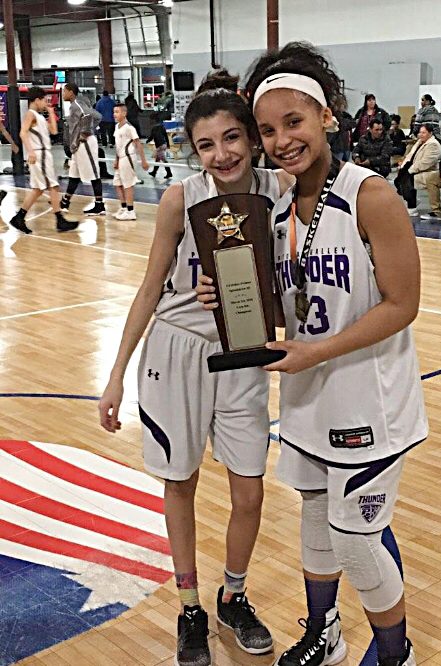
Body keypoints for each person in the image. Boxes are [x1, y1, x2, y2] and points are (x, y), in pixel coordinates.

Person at [200, 41, 428, 666]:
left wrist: (316, 351)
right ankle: (325, 634)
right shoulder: (274, 209)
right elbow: (291, 302)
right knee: (316, 523)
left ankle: (396, 655)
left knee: (356, 542)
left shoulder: (370, 195)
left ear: (326, 115)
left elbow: (403, 304)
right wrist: (227, 297)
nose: (282, 141)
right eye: (268, 131)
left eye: (293, 122)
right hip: (307, 397)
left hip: (369, 402)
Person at [99, 87, 294, 666]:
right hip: (176, 350)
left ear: (252, 138)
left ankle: (233, 597)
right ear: (193, 151)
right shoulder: (180, 198)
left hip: (243, 352)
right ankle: (189, 607)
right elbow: (149, 288)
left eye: (231, 138)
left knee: (249, 490)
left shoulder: (281, 189)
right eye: (206, 145)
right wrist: (115, 375)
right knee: (179, 481)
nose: (221, 154)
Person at [9, 87, 78, 234]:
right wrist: (31, 151)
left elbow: (53, 131)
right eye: (44, 100)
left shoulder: (39, 116)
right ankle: (60, 220)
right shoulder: (31, 114)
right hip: (40, 154)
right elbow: (22, 132)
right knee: (53, 186)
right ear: (37, 100)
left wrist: (51, 113)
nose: (46, 103)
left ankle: (19, 217)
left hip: (43, 153)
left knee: (38, 189)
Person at [61, 83, 106, 216]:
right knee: (74, 173)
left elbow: (91, 116)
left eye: (64, 91)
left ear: (71, 92)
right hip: (77, 145)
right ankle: (65, 202)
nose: (63, 94)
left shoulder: (78, 104)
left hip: (84, 143)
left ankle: (99, 205)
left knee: (93, 174)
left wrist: (85, 132)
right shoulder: (74, 105)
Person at [395, 123, 441, 215]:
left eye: (424, 133)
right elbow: (410, 155)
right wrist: (403, 166)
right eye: (420, 132)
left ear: (430, 133)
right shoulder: (419, 142)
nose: (421, 135)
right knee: (398, 181)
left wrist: (411, 170)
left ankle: (412, 206)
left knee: (408, 179)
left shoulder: (433, 144)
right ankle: (412, 200)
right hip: (412, 166)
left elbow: (426, 163)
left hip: (426, 170)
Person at [112, 104, 149, 220]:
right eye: (114, 112)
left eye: (117, 112)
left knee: (127, 185)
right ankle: (123, 207)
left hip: (128, 157)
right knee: (117, 183)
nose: (114, 114)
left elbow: (138, 143)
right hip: (121, 158)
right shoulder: (117, 127)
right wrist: (116, 159)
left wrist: (143, 161)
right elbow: (118, 146)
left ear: (124, 113)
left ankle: (131, 211)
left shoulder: (129, 128)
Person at [147, 113, 173, 179]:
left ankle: (169, 173)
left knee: (164, 160)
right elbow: (166, 136)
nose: (149, 121)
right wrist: (168, 144)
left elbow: (152, 137)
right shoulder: (161, 127)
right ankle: (154, 172)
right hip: (163, 144)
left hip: (160, 146)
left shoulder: (154, 128)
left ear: (154, 120)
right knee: (157, 160)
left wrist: (146, 141)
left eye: (150, 120)